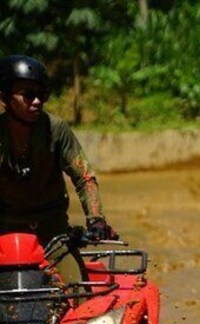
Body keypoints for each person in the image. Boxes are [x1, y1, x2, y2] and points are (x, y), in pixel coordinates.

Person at [0, 55, 118, 284]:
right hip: (4, 234)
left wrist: (96, 220)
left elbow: (85, 177)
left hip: (51, 233)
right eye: (28, 95)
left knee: (79, 293)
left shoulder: (56, 130)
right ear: (5, 97)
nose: (36, 102)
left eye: (41, 95)